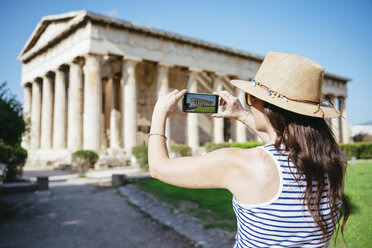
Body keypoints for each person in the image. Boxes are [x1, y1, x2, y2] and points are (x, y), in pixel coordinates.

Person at [148, 52, 350, 247]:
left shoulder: (243, 163)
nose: (250, 103)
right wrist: (242, 115)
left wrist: (159, 114)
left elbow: (158, 168)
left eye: (251, 98)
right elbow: (289, 141)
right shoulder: (336, 160)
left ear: (268, 107)